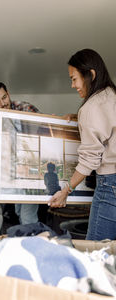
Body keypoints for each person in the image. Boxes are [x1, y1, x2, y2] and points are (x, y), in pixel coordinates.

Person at [49, 49, 116, 241]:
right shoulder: (111, 94)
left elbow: (88, 161)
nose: (72, 85)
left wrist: (65, 191)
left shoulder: (91, 107)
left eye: (74, 79)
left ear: (91, 75)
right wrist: (78, 117)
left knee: (96, 248)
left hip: (110, 185)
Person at [0, 80, 39, 224]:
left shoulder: (25, 108)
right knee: (19, 212)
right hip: (11, 176)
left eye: (4, 98)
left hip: (31, 172)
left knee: (27, 217)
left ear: (8, 94)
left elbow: (45, 129)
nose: (3, 104)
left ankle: (33, 243)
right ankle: (28, 239)